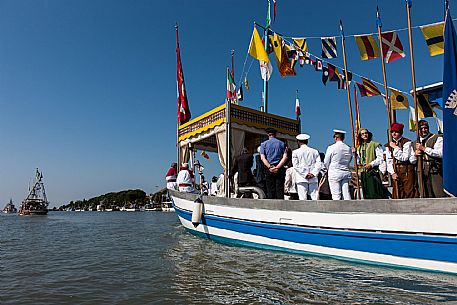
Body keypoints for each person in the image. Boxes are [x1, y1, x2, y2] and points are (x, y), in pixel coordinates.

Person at [413, 120, 447, 198]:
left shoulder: (437, 138)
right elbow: (412, 160)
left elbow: (440, 153)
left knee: (438, 192)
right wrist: (415, 154)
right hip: (421, 170)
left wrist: (424, 149)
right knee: (425, 193)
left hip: (434, 169)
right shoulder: (414, 143)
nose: (424, 130)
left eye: (425, 128)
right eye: (421, 129)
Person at [386, 123, 418, 199]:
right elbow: (389, 160)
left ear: (400, 133)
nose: (394, 133)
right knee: (397, 193)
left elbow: (404, 157)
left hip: (406, 169)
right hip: (396, 169)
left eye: (396, 131)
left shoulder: (407, 142)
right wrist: (392, 172)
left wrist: (395, 148)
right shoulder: (389, 145)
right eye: (392, 131)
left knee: (409, 191)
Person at [355, 128, 387, 199]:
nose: (365, 135)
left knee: (375, 193)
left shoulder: (375, 144)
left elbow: (380, 158)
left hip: (373, 172)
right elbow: (358, 161)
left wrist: (371, 164)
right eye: (362, 134)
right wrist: (354, 154)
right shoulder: (359, 148)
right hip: (364, 173)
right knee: (366, 194)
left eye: (366, 133)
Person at [324, 129, 353, 200]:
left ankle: (337, 209)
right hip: (345, 171)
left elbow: (326, 161)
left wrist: (328, 168)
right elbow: (350, 159)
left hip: (334, 172)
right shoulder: (348, 148)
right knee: (346, 193)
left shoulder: (331, 147)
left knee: (336, 194)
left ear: (335, 137)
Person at [260, 128, 288, 199]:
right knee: (279, 188)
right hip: (279, 168)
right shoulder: (282, 144)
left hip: (269, 168)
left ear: (268, 134)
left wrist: (270, 167)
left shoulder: (263, 144)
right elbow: (285, 157)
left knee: (270, 188)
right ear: (276, 134)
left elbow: (262, 158)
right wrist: (277, 167)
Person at [292, 133, 322, 200]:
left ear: (298, 142)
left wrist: (305, 174)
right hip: (313, 177)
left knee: (302, 198)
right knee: (314, 197)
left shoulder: (295, 152)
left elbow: (295, 165)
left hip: (301, 177)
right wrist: (313, 173)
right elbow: (319, 164)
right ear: (307, 141)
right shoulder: (315, 151)